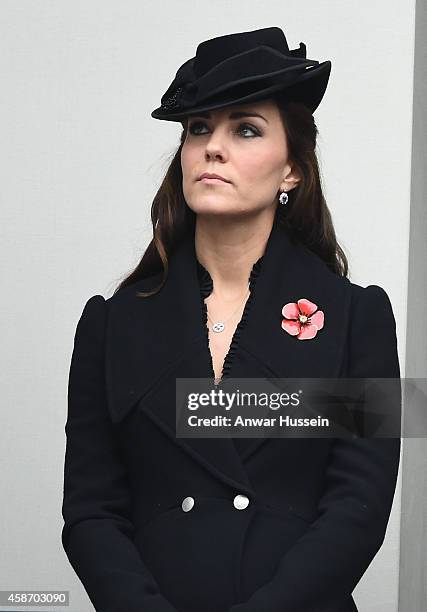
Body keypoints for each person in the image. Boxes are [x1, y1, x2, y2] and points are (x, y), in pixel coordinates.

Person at [61, 27, 401, 612]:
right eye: (198, 129)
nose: (212, 148)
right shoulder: (110, 322)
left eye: (245, 129)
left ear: (291, 170)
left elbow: (360, 508)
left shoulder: (361, 316)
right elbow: (91, 512)